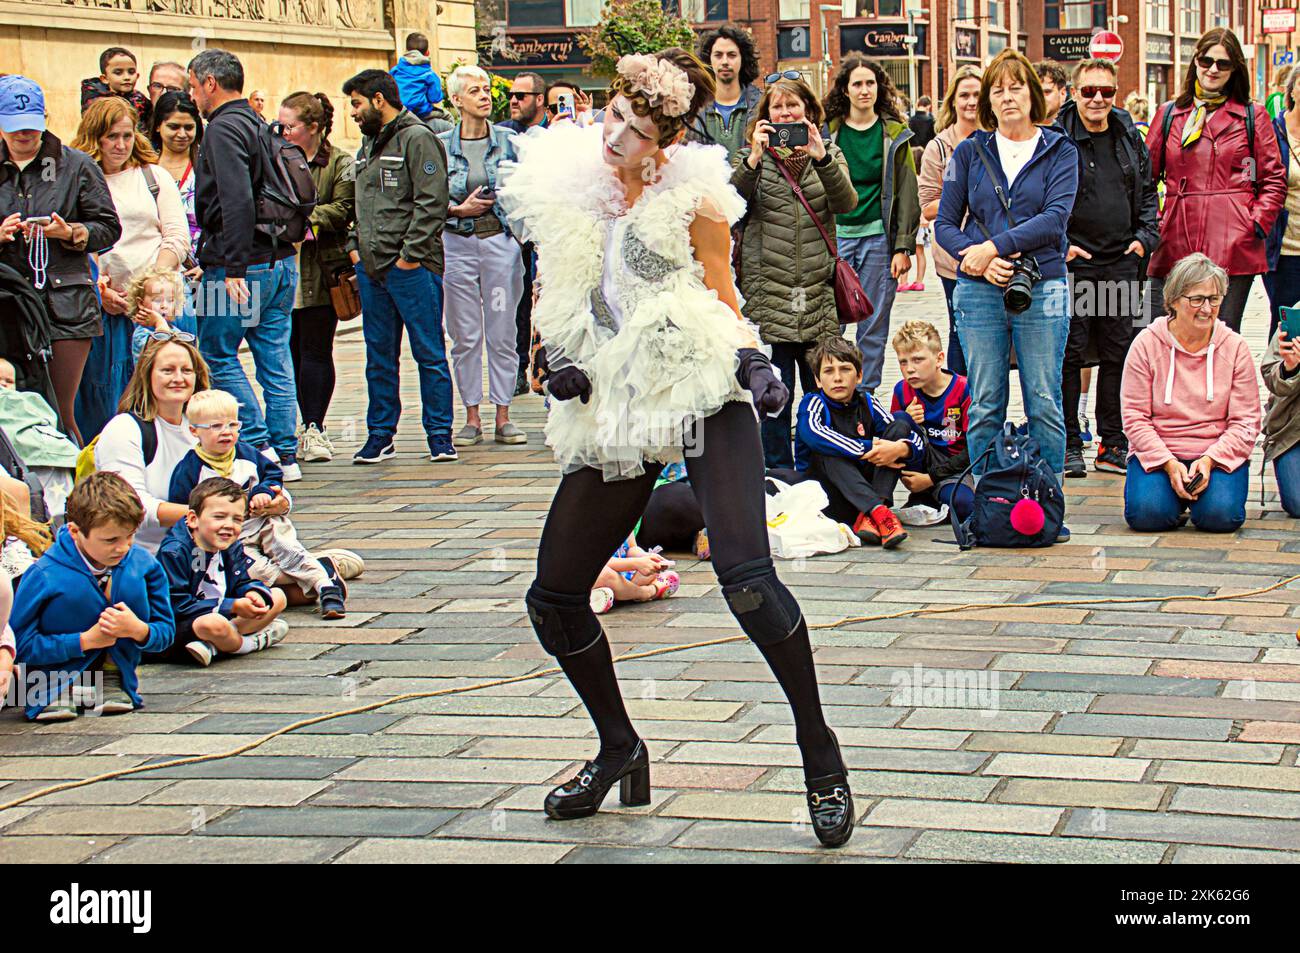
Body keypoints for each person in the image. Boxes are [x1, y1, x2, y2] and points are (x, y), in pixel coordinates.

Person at [498, 48, 854, 847]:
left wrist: (755, 360)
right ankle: (619, 746)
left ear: (668, 139)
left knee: (747, 580)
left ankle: (819, 750)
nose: (614, 132)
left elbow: (722, 295)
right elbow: (555, 297)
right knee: (552, 594)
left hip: (699, 378)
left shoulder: (694, 197)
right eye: (614, 113)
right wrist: (551, 355)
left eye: (635, 126)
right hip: (616, 395)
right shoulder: (571, 183)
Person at [935, 49, 1079, 492]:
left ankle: (1049, 495)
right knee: (985, 400)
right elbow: (943, 223)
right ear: (988, 102)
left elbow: (1055, 219)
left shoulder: (1060, 149)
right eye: (998, 89)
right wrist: (979, 259)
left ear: (1033, 95)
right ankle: (984, 497)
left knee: (1043, 399)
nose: (1007, 96)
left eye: (1016, 87)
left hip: (1044, 283)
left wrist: (993, 246)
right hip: (979, 289)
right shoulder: (969, 152)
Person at [731, 74, 857, 468]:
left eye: (793, 106)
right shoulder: (749, 157)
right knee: (773, 394)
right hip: (768, 292)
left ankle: (823, 470)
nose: (786, 113)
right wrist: (752, 159)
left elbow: (847, 201)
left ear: (808, 111)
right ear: (765, 115)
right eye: (777, 107)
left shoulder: (828, 153)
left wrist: (821, 158)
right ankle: (778, 472)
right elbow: (730, 205)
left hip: (817, 292)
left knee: (823, 391)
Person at [187, 49, 302, 481]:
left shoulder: (221, 128)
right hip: (279, 260)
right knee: (273, 353)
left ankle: (260, 445)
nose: (193, 95)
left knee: (217, 352)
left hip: (238, 264)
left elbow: (236, 199)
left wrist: (232, 267)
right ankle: (286, 451)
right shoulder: (258, 122)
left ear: (210, 83)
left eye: (194, 86)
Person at [0, 76, 122, 447]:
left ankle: (71, 493)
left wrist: (70, 233)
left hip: (64, 304)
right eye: (14, 127)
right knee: (10, 408)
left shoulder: (76, 164)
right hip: (6, 302)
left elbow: (108, 227)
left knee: (57, 411)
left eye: (32, 127)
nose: (24, 135)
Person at [343, 68, 457, 464]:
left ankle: (440, 436)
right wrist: (354, 247)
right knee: (379, 355)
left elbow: (432, 202)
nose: (353, 113)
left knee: (429, 353)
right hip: (372, 269)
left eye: (356, 104)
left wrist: (409, 256)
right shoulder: (367, 145)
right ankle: (380, 434)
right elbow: (359, 202)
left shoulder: (417, 138)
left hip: (413, 268)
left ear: (378, 100)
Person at [1056, 58, 1159, 479]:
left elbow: (1149, 191)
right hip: (1077, 263)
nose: (1098, 99)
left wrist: (1144, 239)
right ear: (1074, 93)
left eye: (1106, 91)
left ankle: (1112, 442)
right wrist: (1060, 244)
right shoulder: (1057, 137)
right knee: (1071, 354)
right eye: (1088, 91)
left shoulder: (1128, 134)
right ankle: (1068, 443)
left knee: (1120, 351)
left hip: (1121, 261)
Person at [1147, 28, 1286, 333]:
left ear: (1235, 68)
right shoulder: (1169, 114)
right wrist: (1156, 223)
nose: (1212, 69)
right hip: (1174, 238)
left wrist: (1254, 224)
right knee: (1163, 334)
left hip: (1232, 242)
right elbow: (1144, 179)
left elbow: (1274, 179)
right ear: (1195, 61)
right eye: (1206, 60)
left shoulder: (1253, 115)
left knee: (1221, 339)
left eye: (1222, 64)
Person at [71, 96, 192, 442]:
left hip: (158, 301)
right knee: (105, 394)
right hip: (107, 304)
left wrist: (153, 282)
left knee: (166, 390)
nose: (120, 145)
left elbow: (176, 235)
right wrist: (101, 289)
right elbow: (79, 239)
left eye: (126, 135)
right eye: (111, 137)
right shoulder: (80, 178)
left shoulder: (153, 176)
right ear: (95, 138)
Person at [168, 389, 350, 619]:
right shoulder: (190, 468)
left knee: (287, 549)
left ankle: (326, 588)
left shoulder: (246, 453)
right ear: (194, 431)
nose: (227, 432)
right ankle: (320, 571)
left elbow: (273, 475)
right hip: (231, 537)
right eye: (216, 426)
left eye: (233, 425)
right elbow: (181, 508)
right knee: (254, 570)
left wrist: (262, 491)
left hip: (263, 520)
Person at [11, 471, 174, 721]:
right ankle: (57, 689)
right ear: (75, 531)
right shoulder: (43, 574)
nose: (123, 547)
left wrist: (138, 630)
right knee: (71, 596)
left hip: (115, 679)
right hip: (47, 681)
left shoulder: (144, 565)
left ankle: (109, 678)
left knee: (130, 587)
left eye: (130, 536)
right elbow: (18, 646)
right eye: (110, 540)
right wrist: (84, 640)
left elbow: (166, 631)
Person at [1121, 253, 1260, 533]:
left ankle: (1195, 499)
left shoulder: (1235, 347)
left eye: (1214, 299)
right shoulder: (1146, 344)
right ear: (1173, 301)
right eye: (1196, 299)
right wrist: (1169, 463)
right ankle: (1172, 498)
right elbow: (1135, 417)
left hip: (1216, 453)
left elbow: (1247, 421)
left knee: (1221, 518)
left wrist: (1210, 459)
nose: (1207, 309)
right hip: (1160, 451)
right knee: (1147, 516)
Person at [439, 66, 526, 449]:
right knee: (464, 332)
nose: (484, 96)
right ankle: (471, 414)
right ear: (456, 100)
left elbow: (528, 191)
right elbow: (425, 197)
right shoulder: (439, 145)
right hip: (456, 245)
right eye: (474, 90)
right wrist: (458, 210)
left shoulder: (510, 142)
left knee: (502, 326)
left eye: (486, 89)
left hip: (499, 245)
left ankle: (503, 413)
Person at [824, 55, 920, 394]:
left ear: (879, 88)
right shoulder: (827, 132)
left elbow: (908, 190)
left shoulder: (893, 134)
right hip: (834, 242)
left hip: (879, 240)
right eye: (857, 84)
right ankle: (831, 397)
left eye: (870, 83)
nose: (864, 90)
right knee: (829, 324)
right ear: (845, 90)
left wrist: (903, 246)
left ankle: (865, 397)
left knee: (874, 324)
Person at [278, 91, 354, 464]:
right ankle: (290, 425)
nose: (284, 132)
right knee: (284, 351)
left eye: (290, 126)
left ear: (313, 127)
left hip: (321, 269)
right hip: (279, 267)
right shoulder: (274, 158)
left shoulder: (338, 161)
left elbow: (343, 208)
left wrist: (301, 223)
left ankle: (315, 426)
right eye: (281, 125)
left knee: (316, 348)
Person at [792, 336, 922, 547]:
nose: (837, 378)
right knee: (828, 452)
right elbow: (814, 435)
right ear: (817, 380)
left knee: (900, 423)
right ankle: (880, 513)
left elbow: (915, 441)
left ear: (859, 375)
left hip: (861, 495)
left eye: (845, 369)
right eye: (828, 371)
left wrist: (901, 448)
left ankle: (873, 516)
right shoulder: (813, 403)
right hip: (829, 497)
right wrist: (870, 448)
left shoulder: (868, 402)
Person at [156, 476, 289, 667]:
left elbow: (241, 580)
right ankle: (247, 644)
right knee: (212, 624)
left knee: (276, 597)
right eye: (219, 517)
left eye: (237, 519)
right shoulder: (177, 552)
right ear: (193, 519)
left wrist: (253, 592)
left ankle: (214, 646)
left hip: (223, 615)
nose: (229, 525)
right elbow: (177, 604)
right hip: (182, 626)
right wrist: (231, 606)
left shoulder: (229, 545)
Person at [93, 336, 207, 554]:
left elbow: (250, 470)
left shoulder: (205, 425)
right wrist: (207, 516)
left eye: (186, 370)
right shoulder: (124, 429)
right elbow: (131, 508)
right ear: (147, 375)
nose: (178, 378)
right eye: (167, 370)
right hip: (146, 556)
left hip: (206, 552)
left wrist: (277, 500)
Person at [919, 64, 982, 377]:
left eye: (977, 95)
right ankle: (959, 411)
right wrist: (964, 196)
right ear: (953, 101)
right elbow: (927, 206)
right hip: (953, 257)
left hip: (995, 251)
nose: (971, 102)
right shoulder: (939, 147)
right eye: (964, 95)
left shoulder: (998, 139)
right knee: (960, 330)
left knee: (993, 337)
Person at [890, 320, 974, 522]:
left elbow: (974, 449)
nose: (910, 369)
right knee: (899, 420)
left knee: (963, 505)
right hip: (919, 464)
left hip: (954, 468)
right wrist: (905, 420)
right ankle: (886, 503)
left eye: (918, 360)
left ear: (939, 359)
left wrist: (931, 479)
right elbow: (889, 439)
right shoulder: (902, 390)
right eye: (903, 362)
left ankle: (929, 495)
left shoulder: (963, 390)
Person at [690, 24, 763, 162]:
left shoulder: (762, 105)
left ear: (743, 59)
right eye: (718, 55)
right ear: (709, 60)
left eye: (732, 55)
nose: (724, 61)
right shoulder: (693, 108)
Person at [1265, 69, 1300, 340]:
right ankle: (1280, 380)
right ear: (1292, 90)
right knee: (1285, 326)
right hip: (1286, 249)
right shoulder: (1274, 132)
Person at [148, 92, 203, 263]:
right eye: (173, 127)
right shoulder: (145, 170)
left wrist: (206, 265)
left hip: (201, 269)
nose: (182, 134)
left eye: (188, 127)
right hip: (154, 268)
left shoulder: (206, 166)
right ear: (158, 126)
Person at [589, 532, 679, 615]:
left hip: (622, 574)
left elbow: (631, 548)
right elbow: (598, 563)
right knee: (603, 574)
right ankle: (648, 592)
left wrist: (646, 557)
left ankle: (606, 595)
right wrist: (636, 563)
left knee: (651, 572)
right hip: (596, 572)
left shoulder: (625, 519)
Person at [1262, 321, 1300, 517]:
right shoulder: (1298, 315)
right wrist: (1290, 367)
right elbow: (1270, 375)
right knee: (1298, 503)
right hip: (1294, 432)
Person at [81, 47, 152, 129]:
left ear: (137, 76)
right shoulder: (96, 102)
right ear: (105, 78)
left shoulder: (140, 99)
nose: (127, 77)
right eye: (118, 73)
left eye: (131, 72)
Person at [126, 266, 187, 360]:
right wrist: (159, 322)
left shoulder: (176, 331)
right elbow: (163, 350)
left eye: (170, 300)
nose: (164, 306)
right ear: (141, 303)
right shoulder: (142, 334)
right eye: (157, 300)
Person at [391, 32, 444, 123]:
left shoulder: (394, 71)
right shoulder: (429, 74)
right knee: (448, 117)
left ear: (407, 50)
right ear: (427, 53)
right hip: (421, 113)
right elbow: (435, 98)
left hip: (399, 113)